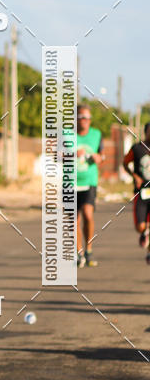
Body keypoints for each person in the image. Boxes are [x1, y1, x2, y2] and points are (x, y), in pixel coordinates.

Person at [76, 106, 104, 268]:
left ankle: (89, 250)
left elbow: (102, 155)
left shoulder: (96, 134)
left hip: (89, 181)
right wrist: (73, 154)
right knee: (73, 220)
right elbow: (56, 155)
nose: (85, 120)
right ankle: (79, 253)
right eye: (81, 117)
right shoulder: (66, 134)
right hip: (70, 182)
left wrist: (98, 157)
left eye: (87, 117)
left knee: (87, 214)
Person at [123, 122, 150, 264]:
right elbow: (124, 163)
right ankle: (144, 233)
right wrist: (134, 176)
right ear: (146, 132)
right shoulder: (137, 148)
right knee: (140, 226)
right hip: (141, 193)